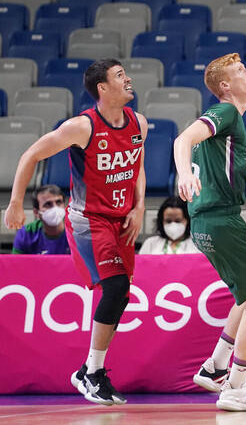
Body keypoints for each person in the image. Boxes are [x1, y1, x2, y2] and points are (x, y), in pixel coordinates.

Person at [3, 59, 147, 406]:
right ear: (102, 88)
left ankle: (90, 370)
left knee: (122, 294)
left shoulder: (139, 122)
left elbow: (137, 166)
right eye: (119, 76)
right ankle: (92, 372)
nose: (128, 79)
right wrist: (16, 203)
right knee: (114, 288)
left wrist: (140, 206)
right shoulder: (81, 126)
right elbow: (30, 155)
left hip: (121, 219)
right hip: (88, 219)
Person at [173, 53, 246, 412]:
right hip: (222, 219)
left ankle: (216, 365)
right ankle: (236, 386)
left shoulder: (229, 124)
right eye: (240, 71)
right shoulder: (226, 112)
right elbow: (182, 140)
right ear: (225, 86)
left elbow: (224, 168)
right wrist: (184, 174)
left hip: (206, 223)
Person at [12, 185, 70, 254]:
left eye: (58, 202)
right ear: (36, 212)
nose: (55, 208)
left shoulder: (75, 231)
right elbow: (15, 263)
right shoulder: (27, 233)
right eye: (48, 204)